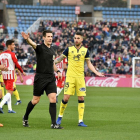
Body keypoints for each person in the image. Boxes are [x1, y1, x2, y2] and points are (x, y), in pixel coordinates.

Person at [55, 32, 104, 127]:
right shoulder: (69, 49)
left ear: (81, 40)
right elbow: (59, 59)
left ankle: (80, 121)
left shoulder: (85, 51)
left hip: (80, 78)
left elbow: (89, 63)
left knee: (81, 98)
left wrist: (96, 72)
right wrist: (53, 61)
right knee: (66, 98)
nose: (76, 39)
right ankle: (59, 117)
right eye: (75, 38)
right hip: (70, 77)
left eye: (78, 38)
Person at [21, 30, 63, 129]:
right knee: (35, 100)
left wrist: (57, 71)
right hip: (40, 77)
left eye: (51, 36)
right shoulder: (40, 48)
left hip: (50, 78)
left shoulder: (53, 50)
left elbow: (52, 63)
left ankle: (53, 124)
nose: (50, 38)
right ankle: (25, 117)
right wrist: (28, 39)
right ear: (43, 37)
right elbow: (33, 44)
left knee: (53, 98)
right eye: (48, 36)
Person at [0, 40, 26, 113]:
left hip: (4, 75)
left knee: (8, 91)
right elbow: (17, 64)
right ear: (9, 46)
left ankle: (10, 109)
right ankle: (0, 105)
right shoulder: (12, 54)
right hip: (11, 74)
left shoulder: (1, 54)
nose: (14, 46)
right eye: (13, 45)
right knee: (10, 93)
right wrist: (22, 71)